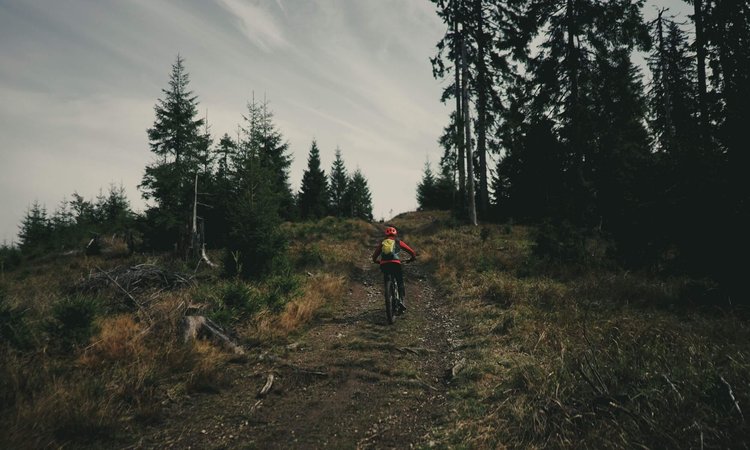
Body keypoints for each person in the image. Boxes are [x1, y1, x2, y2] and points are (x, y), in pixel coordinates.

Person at [372, 226, 416, 313]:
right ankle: (401, 301)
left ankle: (388, 294)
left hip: (384, 264)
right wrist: (412, 258)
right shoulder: (398, 242)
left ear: (386, 235)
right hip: (396, 264)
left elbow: (374, 257)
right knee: (400, 282)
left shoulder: (383, 243)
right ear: (395, 234)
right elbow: (412, 252)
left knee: (387, 279)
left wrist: (377, 261)